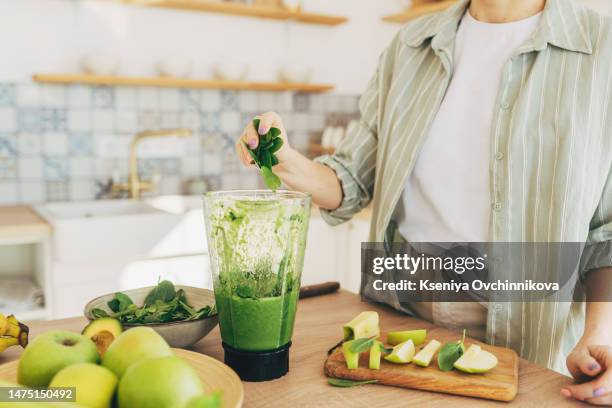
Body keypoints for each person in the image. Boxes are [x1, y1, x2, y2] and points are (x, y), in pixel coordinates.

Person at [235, 0, 612, 404]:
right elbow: (351, 178)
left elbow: (606, 230)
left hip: (533, 330)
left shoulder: (601, 48)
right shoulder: (411, 44)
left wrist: (599, 335)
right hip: (403, 309)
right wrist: (287, 161)